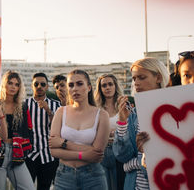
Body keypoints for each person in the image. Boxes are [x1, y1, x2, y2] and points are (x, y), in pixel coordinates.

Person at [113, 57, 169, 190]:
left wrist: (133, 164)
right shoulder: (134, 113)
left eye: (142, 77)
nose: (136, 83)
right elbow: (122, 155)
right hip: (134, 185)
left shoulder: (172, 111)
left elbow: (172, 159)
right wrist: (122, 122)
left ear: (159, 78)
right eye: (134, 79)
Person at [49, 69, 109, 189]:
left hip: (93, 177)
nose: (75, 89)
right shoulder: (61, 112)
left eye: (79, 84)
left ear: (89, 87)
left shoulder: (101, 115)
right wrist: (83, 154)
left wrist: (63, 143)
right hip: (64, 176)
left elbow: (97, 153)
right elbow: (54, 151)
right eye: (71, 85)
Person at [0, 71, 35, 190]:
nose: (13, 87)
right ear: (4, 84)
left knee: (29, 188)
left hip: (16, 153)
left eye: (16, 84)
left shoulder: (22, 106)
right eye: (10, 83)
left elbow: (28, 130)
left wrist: (26, 149)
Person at [25, 72, 61, 190]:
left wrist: (48, 111)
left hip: (48, 155)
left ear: (47, 87)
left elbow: (58, 129)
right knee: (26, 187)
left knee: (44, 187)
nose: (39, 86)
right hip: (30, 155)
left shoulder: (56, 105)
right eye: (36, 84)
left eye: (42, 84)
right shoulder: (24, 105)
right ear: (32, 86)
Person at [94, 74, 124, 190]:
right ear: (100, 89)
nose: (107, 87)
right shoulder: (96, 109)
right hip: (102, 151)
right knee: (104, 186)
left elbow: (129, 128)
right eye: (104, 85)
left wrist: (117, 132)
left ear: (115, 86)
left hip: (120, 150)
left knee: (119, 185)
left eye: (110, 84)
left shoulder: (123, 105)